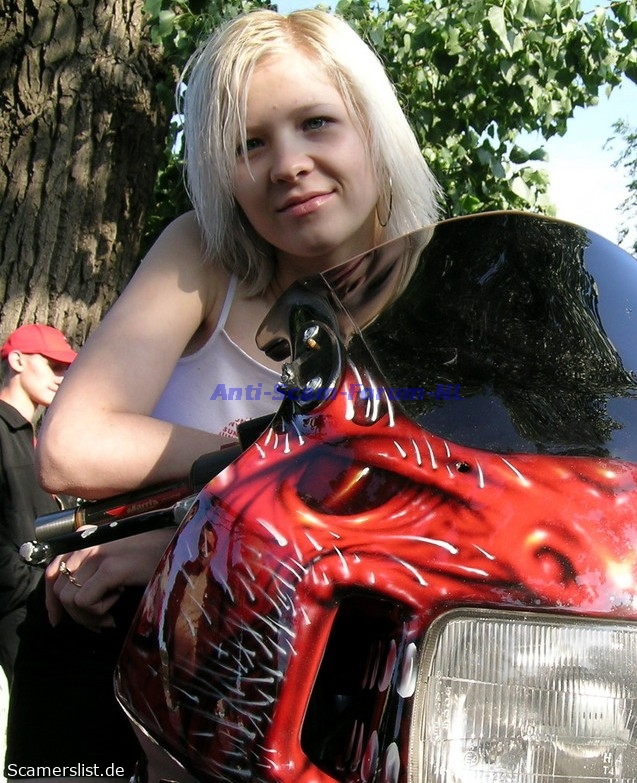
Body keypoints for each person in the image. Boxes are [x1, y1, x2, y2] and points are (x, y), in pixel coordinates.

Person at [5, 8, 441, 779]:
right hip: (121, 655)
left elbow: (448, 524)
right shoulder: (202, 254)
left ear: (374, 129)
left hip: (352, 678)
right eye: (248, 144)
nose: (288, 164)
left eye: (316, 123)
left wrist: (197, 536)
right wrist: (258, 472)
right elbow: (71, 446)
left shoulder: (449, 286)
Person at [0, 324, 76, 776]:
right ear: (17, 360)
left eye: (67, 369)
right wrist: (27, 585)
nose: (61, 378)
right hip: (17, 611)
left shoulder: (36, 438)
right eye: (52, 365)